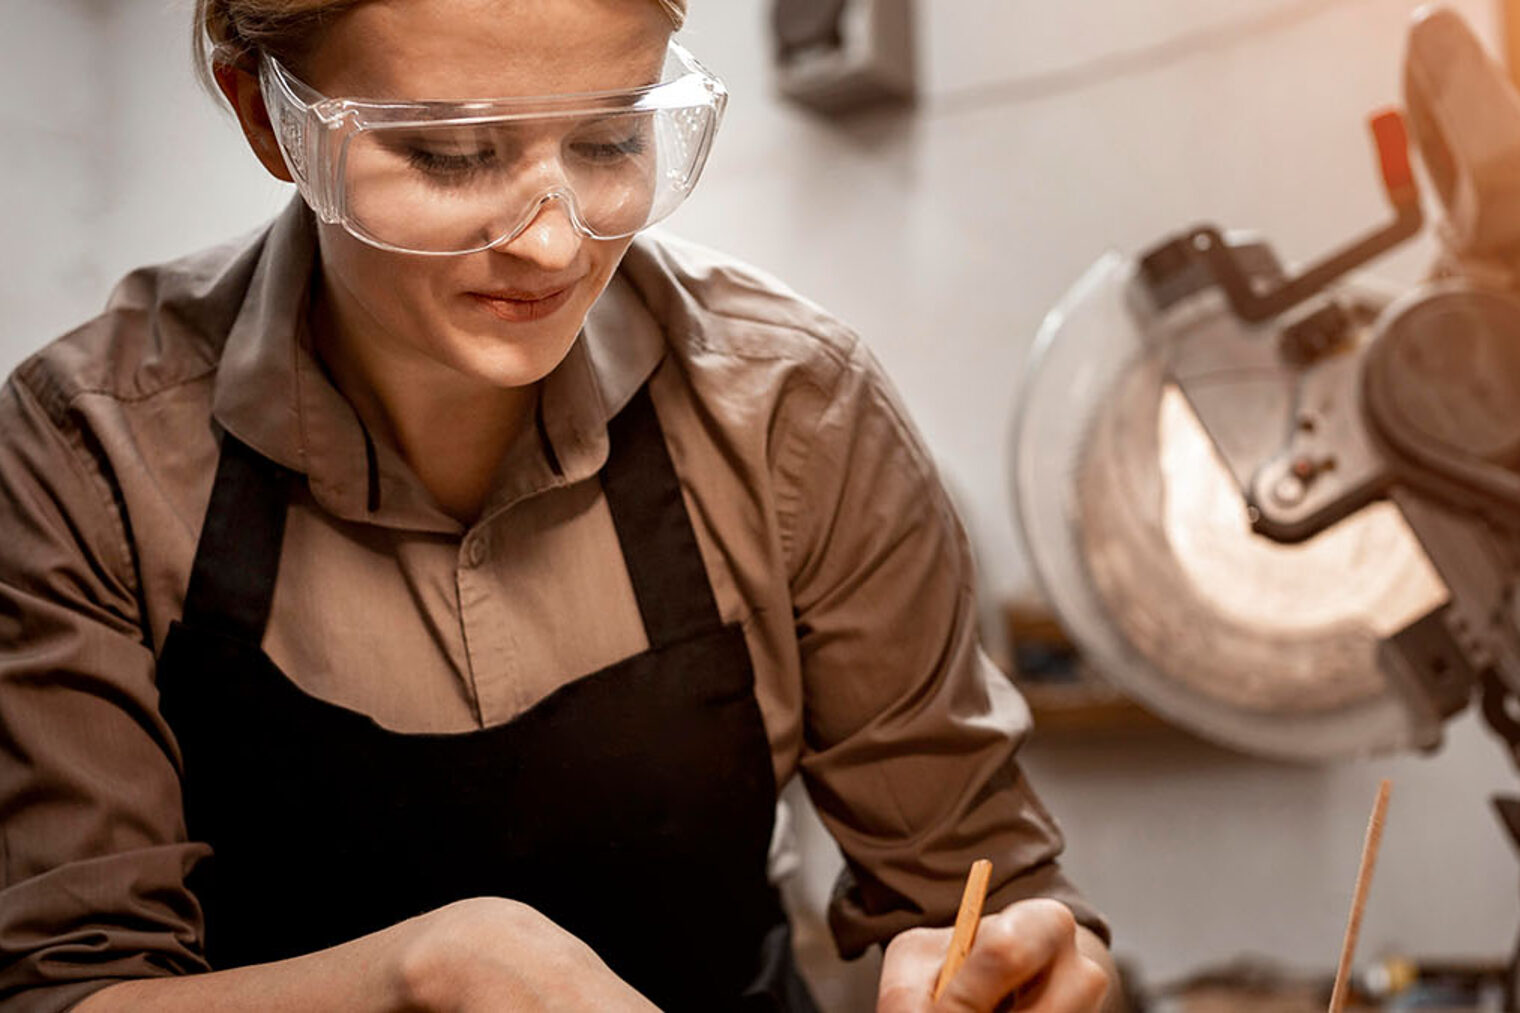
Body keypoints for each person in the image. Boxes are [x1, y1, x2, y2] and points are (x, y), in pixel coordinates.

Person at [0, 1, 1115, 1009]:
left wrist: (1018, 966)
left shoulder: (792, 411)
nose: (553, 242)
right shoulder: (87, 451)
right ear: (266, 116)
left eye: (612, 140)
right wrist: (422, 977)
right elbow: (66, 985)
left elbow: (977, 889)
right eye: (451, 154)